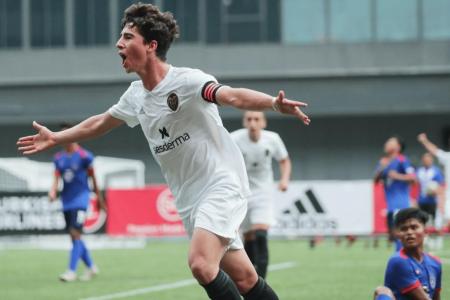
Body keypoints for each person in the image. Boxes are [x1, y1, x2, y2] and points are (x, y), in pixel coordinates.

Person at [17, 3, 310, 299]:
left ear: (151, 45)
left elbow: (231, 95)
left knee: (201, 265)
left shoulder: (187, 81)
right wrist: (55, 137)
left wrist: (273, 103)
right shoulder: (135, 96)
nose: (119, 43)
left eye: (128, 37)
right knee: (246, 279)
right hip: (188, 199)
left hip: (221, 186)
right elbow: (100, 123)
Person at [231, 111, 291, 279]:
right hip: (242, 191)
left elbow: (284, 160)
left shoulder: (273, 139)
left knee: (261, 234)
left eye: (256, 119)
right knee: (248, 236)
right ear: (244, 122)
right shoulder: (234, 139)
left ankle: (262, 283)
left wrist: (284, 180)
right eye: (249, 119)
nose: (253, 123)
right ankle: (250, 279)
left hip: (264, 191)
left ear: (263, 123)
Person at [49, 123, 106, 282]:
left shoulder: (84, 156)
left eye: (67, 134)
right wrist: (52, 191)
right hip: (66, 201)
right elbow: (56, 178)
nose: (64, 138)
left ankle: (71, 271)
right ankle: (91, 267)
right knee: (75, 237)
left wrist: (99, 199)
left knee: (75, 233)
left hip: (81, 199)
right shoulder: (58, 158)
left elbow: (93, 178)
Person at [384, 208, 442, 300]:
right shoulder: (398, 261)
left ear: (425, 231)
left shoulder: (436, 263)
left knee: (381, 291)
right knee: (382, 292)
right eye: (404, 229)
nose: (409, 232)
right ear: (398, 234)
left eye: (414, 227)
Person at [374, 136, 416, 251]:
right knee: (393, 235)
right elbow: (376, 181)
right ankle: (402, 256)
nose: (386, 144)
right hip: (390, 205)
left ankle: (403, 258)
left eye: (390, 142)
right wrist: (381, 168)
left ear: (397, 147)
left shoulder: (403, 160)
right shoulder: (383, 161)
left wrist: (397, 176)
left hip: (401, 204)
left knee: (400, 233)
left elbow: (413, 178)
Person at [418, 133, 449, 231]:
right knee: (441, 219)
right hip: (447, 195)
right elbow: (434, 150)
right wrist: (424, 141)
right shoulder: (447, 157)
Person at [416, 153, 445, 250]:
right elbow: (415, 183)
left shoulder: (436, 171)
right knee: (422, 222)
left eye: (428, 159)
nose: (426, 161)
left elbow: (441, 186)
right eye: (424, 159)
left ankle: (438, 242)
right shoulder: (419, 171)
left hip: (433, 201)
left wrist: (435, 191)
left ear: (431, 160)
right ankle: (426, 241)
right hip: (422, 200)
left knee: (436, 223)